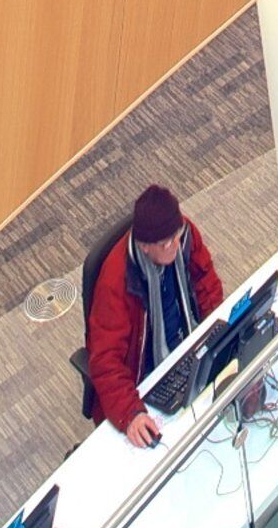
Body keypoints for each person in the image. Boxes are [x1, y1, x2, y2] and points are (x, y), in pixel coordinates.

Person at [85, 184, 222, 447]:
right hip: (147, 379)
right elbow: (105, 360)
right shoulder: (117, 282)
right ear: (145, 246)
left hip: (187, 348)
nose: (175, 246)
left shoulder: (184, 234)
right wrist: (131, 413)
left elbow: (207, 283)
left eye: (177, 235)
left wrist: (218, 331)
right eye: (166, 243)